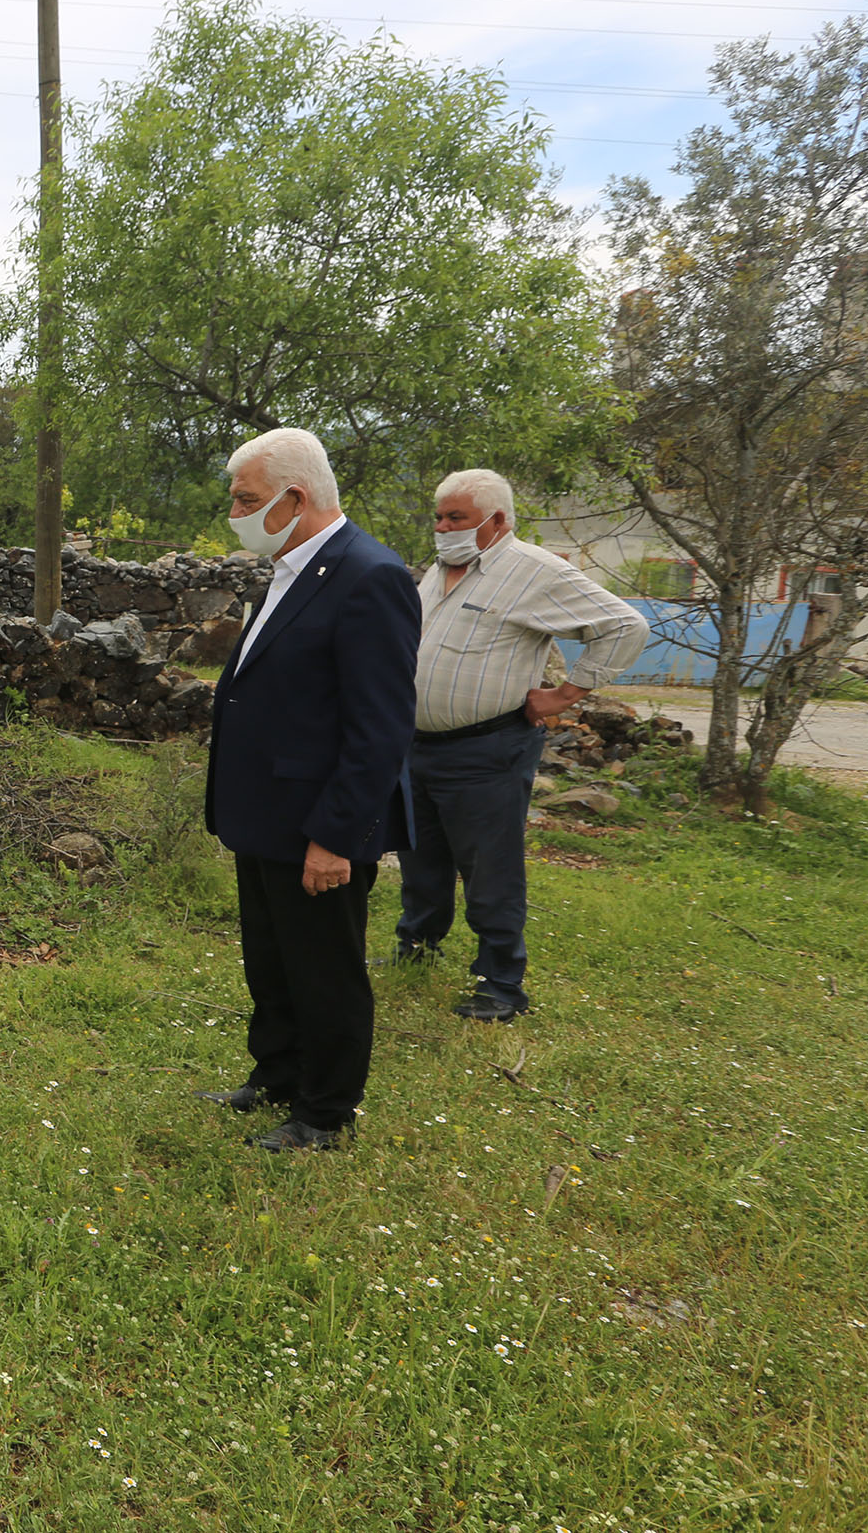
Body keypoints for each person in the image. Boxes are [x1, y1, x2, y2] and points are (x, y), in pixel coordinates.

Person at [200, 428, 418, 1152]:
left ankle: (325, 1110)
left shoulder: (368, 576)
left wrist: (336, 835)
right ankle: (278, 1073)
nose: (235, 511)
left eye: (247, 499)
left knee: (325, 967)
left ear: (296, 498)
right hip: (265, 812)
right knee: (272, 958)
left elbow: (378, 727)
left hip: (315, 821)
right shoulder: (295, 570)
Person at [400, 469, 649, 1022]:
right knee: (421, 857)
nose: (442, 527)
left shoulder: (534, 571)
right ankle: (416, 948)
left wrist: (565, 693)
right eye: (438, 517)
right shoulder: (437, 573)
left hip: (486, 749)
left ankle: (501, 984)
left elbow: (625, 625)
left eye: (456, 518)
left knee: (490, 868)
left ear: (497, 521)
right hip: (417, 745)